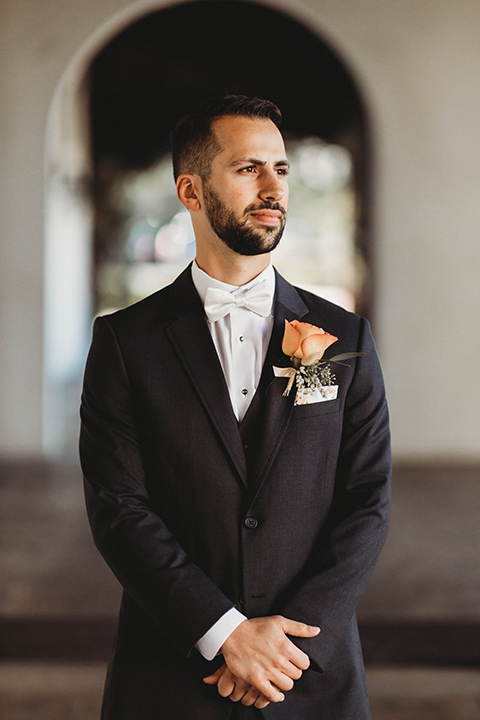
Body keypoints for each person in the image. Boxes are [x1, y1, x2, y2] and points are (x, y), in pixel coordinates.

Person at [80, 95, 391, 719]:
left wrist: (284, 645)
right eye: (249, 169)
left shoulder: (344, 338)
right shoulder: (125, 342)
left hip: (309, 671)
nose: (273, 187)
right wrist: (225, 634)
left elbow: (367, 499)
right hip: (172, 673)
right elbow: (120, 511)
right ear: (191, 191)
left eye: (280, 168)